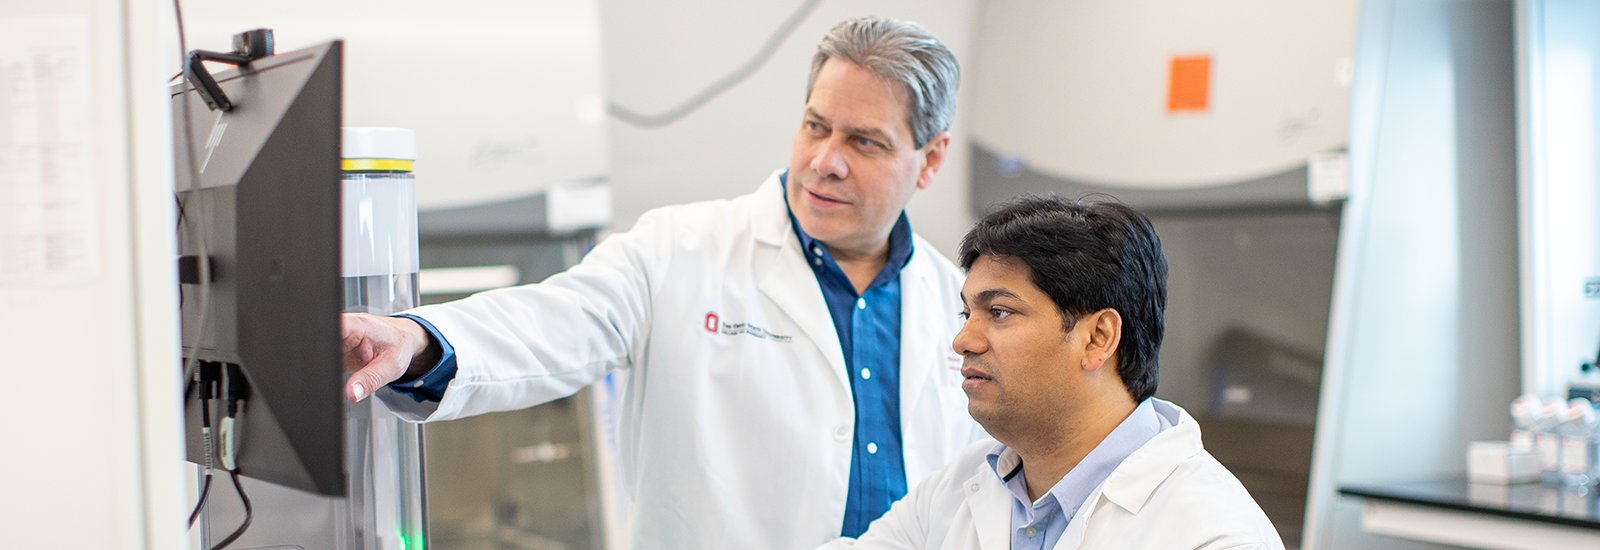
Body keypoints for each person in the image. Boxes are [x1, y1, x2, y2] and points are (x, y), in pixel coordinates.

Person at [339, 17, 986, 550]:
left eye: (864, 142)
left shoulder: (956, 302)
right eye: (816, 126)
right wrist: (417, 339)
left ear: (930, 158)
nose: (825, 161)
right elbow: (551, 322)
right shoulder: (679, 250)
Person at [821, 196, 1284, 550]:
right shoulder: (958, 488)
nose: (964, 340)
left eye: (999, 312)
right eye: (967, 314)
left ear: (1098, 337)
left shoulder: (1213, 534)